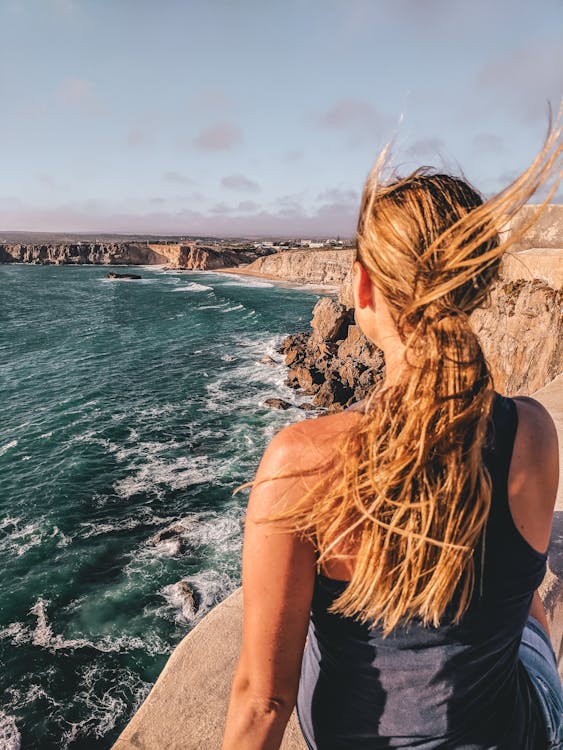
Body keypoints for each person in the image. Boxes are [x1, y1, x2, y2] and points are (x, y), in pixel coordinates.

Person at [221, 124, 563, 749]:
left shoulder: (300, 463)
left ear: (366, 285)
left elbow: (262, 702)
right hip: (521, 731)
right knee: (524, 602)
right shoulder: (534, 433)